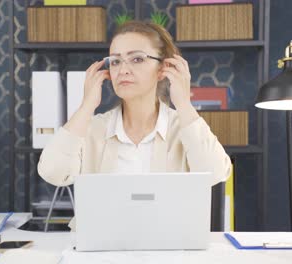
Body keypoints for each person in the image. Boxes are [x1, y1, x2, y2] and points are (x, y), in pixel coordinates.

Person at [37, 21, 231, 230]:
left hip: (170, 252)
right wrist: (86, 106)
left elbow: (216, 172)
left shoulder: (183, 126)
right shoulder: (93, 128)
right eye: (115, 62)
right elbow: (53, 172)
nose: (123, 70)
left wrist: (183, 103)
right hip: (99, 254)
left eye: (137, 59)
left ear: (162, 69)